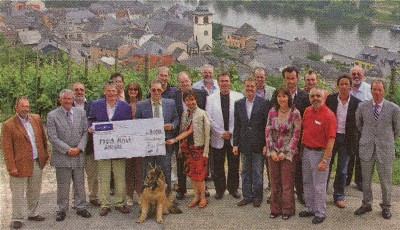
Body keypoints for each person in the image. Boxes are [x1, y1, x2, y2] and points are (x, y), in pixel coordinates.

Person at [354, 80, 400, 220]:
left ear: (384, 91)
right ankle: (366, 204)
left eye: (380, 90)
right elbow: (359, 125)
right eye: (374, 89)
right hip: (367, 147)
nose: (377, 92)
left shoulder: (394, 108)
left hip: (385, 149)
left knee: (385, 181)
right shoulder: (362, 106)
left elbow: (397, 130)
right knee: (366, 179)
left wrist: (385, 140)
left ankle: (386, 206)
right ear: (371, 90)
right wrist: (369, 137)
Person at [1, 97, 49, 229]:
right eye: (22, 106)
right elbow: (7, 149)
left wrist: (45, 156)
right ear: (16, 107)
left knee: (34, 190)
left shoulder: (36, 119)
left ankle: (32, 213)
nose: (25, 109)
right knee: (18, 192)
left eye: (27, 106)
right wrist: (11, 167)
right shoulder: (8, 125)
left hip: (36, 161)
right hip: (19, 164)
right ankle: (17, 218)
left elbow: (43, 139)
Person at [88, 81, 132, 216]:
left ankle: (120, 203)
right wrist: (90, 127)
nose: (111, 94)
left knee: (120, 176)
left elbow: (129, 125)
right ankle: (105, 204)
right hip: (103, 147)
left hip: (119, 147)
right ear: (104, 92)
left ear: (118, 91)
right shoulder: (97, 105)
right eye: (109, 91)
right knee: (104, 176)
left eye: (114, 91)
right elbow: (90, 119)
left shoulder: (125, 106)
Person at [47, 89, 91, 221]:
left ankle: (81, 207)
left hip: (78, 153)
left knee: (79, 183)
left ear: (73, 100)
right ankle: (61, 209)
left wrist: (79, 148)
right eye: (65, 99)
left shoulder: (81, 113)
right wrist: (68, 150)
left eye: (69, 99)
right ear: (60, 100)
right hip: (62, 155)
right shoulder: (52, 115)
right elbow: (52, 137)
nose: (67, 101)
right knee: (63, 185)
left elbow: (85, 132)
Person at [166, 90, 211, 208]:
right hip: (188, 149)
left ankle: (203, 198)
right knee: (192, 174)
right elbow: (182, 129)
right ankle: (196, 196)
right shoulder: (185, 114)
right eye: (187, 100)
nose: (190, 102)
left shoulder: (202, 114)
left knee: (200, 176)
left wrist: (206, 149)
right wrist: (180, 146)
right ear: (184, 101)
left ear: (196, 100)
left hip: (199, 148)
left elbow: (205, 133)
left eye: (192, 99)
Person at [299, 87, 336, 224]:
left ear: (323, 97)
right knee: (307, 182)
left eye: (318, 96)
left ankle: (320, 212)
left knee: (319, 185)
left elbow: (331, 139)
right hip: (307, 152)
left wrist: (325, 160)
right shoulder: (307, 111)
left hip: (321, 153)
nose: (315, 98)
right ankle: (310, 208)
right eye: (312, 96)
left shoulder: (329, 115)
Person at [136, 80, 180, 194]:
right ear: (149, 90)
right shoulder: (141, 105)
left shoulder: (170, 103)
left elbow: (176, 118)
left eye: (158, 90)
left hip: (164, 143)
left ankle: (167, 197)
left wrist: (172, 126)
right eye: (153, 90)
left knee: (165, 171)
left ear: (162, 91)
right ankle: (147, 199)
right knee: (147, 172)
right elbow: (137, 123)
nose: (156, 92)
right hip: (148, 145)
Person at [233, 77, 270, 208]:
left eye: (252, 86)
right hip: (244, 143)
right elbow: (237, 125)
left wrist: (266, 144)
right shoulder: (238, 104)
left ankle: (257, 197)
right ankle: (247, 196)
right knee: (245, 171)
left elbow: (267, 125)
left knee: (258, 172)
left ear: (256, 88)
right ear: (244, 87)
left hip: (259, 144)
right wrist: (235, 144)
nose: (249, 89)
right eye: (247, 86)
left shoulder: (264, 103)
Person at [206, 72, 243, 200]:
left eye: (226, 81)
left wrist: (231, 132)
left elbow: (240, 117)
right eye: (222, 81)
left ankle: (233, 189)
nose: (224, 83)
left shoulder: (238, 97)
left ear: (230, 82)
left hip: (234, 137)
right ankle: (219, 190)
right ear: (218, 83)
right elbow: (209, 118)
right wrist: (221, 132)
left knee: (234, 165)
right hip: (218, 137)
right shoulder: (210, 99)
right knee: (218, 166)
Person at [265, 87, 301, 219]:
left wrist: (285, 152)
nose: (281, 99)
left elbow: (296, 135)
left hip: (288, 154)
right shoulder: (272, 112)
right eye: (279, 96)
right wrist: (272, 150)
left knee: (287, 184)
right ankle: (275, 209)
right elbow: (268, 132)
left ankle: (287, 210)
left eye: (284, 96)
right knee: (274, 183)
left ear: (288, 98)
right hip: (273, 153)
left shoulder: (295, 113)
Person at [326, 75, 361, 208]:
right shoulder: (330, 100)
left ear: (351, 86)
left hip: (346, 139)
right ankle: (322, 192)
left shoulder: (357, 103)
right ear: (338, 85)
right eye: (341, 84)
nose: (344, 86)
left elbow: (359, 123)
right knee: (327, 166)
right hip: (331, 137)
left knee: (342, 169)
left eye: (346, 84)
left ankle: (339, 195)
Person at [172, 71, 208, 200]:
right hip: (182, 134)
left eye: (186, 81)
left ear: (191, 81)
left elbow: (205, 114)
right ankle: (182, 189)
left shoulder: (201, 94)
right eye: (182, 82)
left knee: (200, 163)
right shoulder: (174, 96)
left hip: (198, 135)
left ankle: (203, 189)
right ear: (179, 84)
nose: (185, 84)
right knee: (181, 162)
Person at [281, 66, 310, 205]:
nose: (291, 81)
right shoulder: (279, 94)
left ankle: (300, 193)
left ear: (297, 79)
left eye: (293, 78)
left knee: (299, 169)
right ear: (284, 79)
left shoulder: (305, 97)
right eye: (288, 78)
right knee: (283, 169)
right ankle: (282, 194)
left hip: (299, 140)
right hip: (282, 140)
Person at [72, 82, 100, 207]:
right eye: (76, 90)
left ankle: (94, 197)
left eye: (81, 90)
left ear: (85, 92)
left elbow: (97, 120)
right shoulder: (67, 105)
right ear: (73, 92)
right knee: (77, 177)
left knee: (93, 175)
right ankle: (76, 200)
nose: (79, 92)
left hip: (90, 146)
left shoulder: (92, 105)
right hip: (74, 147)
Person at [347, 65, 372, 190]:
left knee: (361, 153)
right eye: (354, 74)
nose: (356, 76)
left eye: (359, 74)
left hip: (363, 126)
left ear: (363, 76)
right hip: (348, 126)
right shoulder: (347, 88)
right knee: (348, 152)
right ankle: (346, 178)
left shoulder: (369, 89)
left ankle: (359, 180)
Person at [124, 82, 144, 206]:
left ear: (138, 91)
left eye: (135, 89)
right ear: (127, 91)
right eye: (130, 89)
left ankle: (140, 194)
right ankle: (129, 195)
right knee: (129, 169)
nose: (133, 91)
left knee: (139, 169)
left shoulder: (143, 104)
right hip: (127, 141)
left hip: (140, 141)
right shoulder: (123, 105)